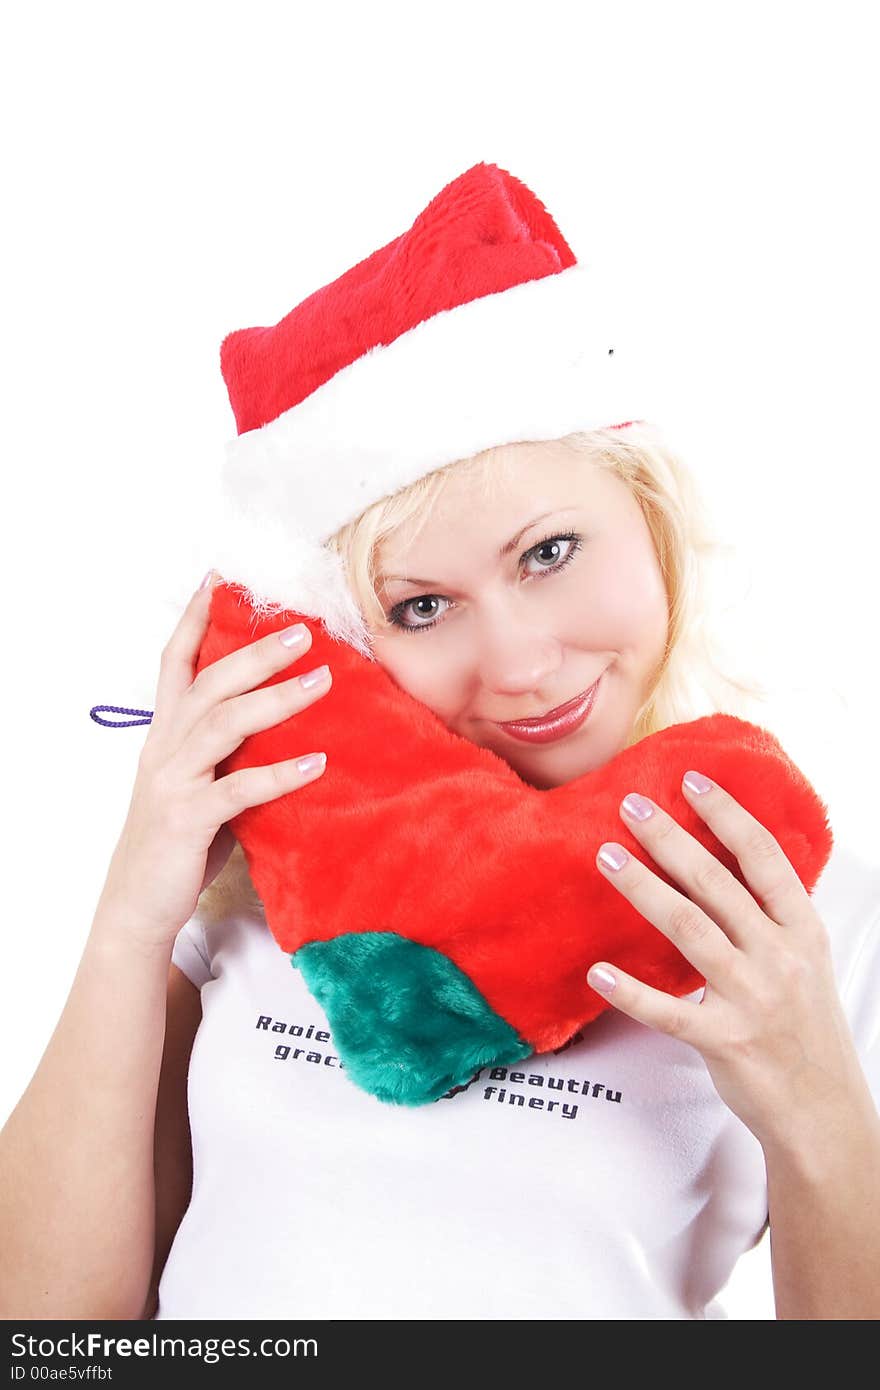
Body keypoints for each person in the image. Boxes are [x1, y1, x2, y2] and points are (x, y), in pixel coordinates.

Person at [2, 163, 878, 1321]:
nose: (517, 665)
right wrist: (132, 913)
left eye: (549, 553)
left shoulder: (802, 912)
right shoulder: (261, 890)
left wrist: (811, 1104)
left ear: (651, 520)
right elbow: (50, 1333)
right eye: (421, 607)